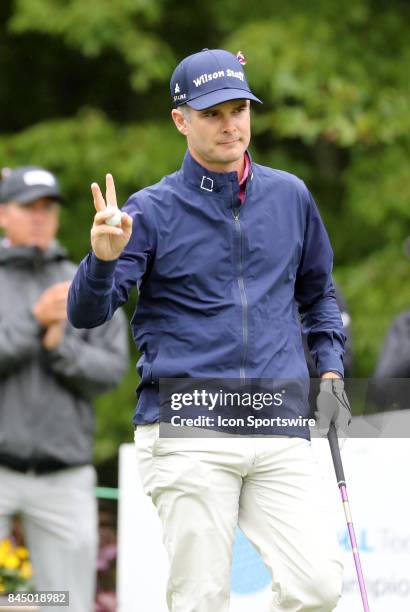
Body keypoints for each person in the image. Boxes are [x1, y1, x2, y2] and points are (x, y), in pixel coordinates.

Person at [68, 49, 351, 611]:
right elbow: (87, 315)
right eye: (213, 113)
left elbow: (319, 294)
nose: (230, 125)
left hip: (276, 421)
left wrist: (331, 368)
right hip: (188, 426)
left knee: (317, 588)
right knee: (201, 599)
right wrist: (101, 260)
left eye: (239, 109)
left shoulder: (291, 196)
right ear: (182, 121)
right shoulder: (149, 211)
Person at [0, 166, 129, 611]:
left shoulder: (86, 280)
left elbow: (112, 370)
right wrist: (33, 324)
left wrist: (60, 350)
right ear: (3, 214)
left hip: (64, 474)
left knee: (64, 602)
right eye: (28, 208)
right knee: (7, 599)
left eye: (48, 208)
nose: (40, 217)